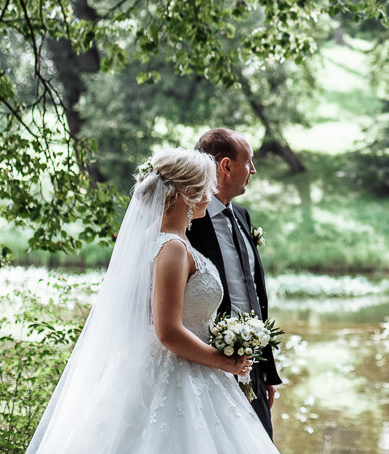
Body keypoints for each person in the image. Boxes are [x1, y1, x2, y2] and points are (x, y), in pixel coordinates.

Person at [26, 148, 280, 454]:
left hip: (179, 365)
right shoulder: (172, 247)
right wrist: (223, 361)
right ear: (188, 193)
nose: (212, 191)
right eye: (207, 186)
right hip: (177, 372)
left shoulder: (162, 238)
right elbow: (167, 331)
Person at [189, 128, 281, 438]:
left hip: (252, 363)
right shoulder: (188, 223)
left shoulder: (242, 216)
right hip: (208, 362)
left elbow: (255, 296)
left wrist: (267, 370)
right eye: (249, 162)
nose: (253, 170)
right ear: (226, 166)